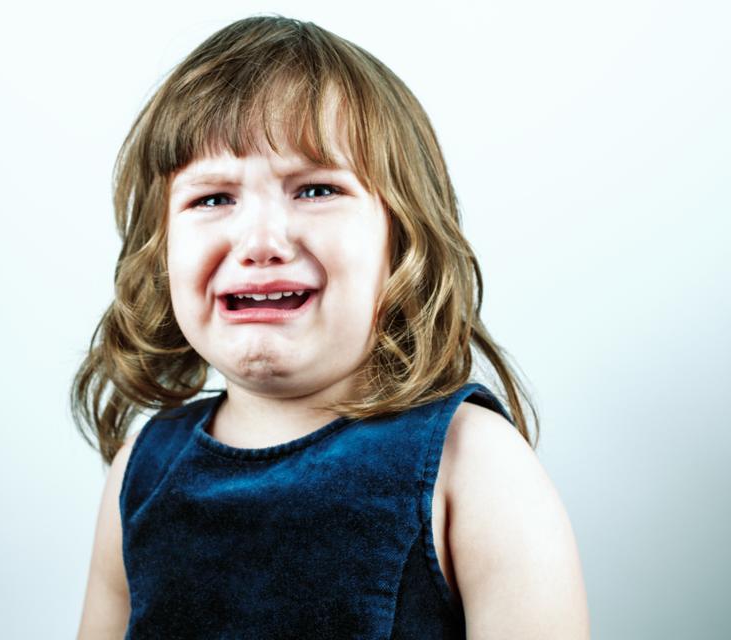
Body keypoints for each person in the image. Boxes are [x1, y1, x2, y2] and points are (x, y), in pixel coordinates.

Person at [72, 14, 590, 639]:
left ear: (403, 241)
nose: (260, 241)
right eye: (212, 199)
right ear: (160, 253)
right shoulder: (141, 470)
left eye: (315, 190)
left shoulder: (473, 462)